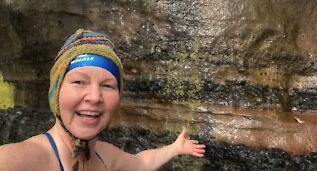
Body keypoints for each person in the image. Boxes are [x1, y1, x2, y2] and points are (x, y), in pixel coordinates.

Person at [0, 29, 206, 171]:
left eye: (107, 85)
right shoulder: (27, 158)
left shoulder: (106, 156)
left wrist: (174, 149)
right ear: (55, 91)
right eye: (79, 82)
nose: (95, 97)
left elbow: (141, 163)